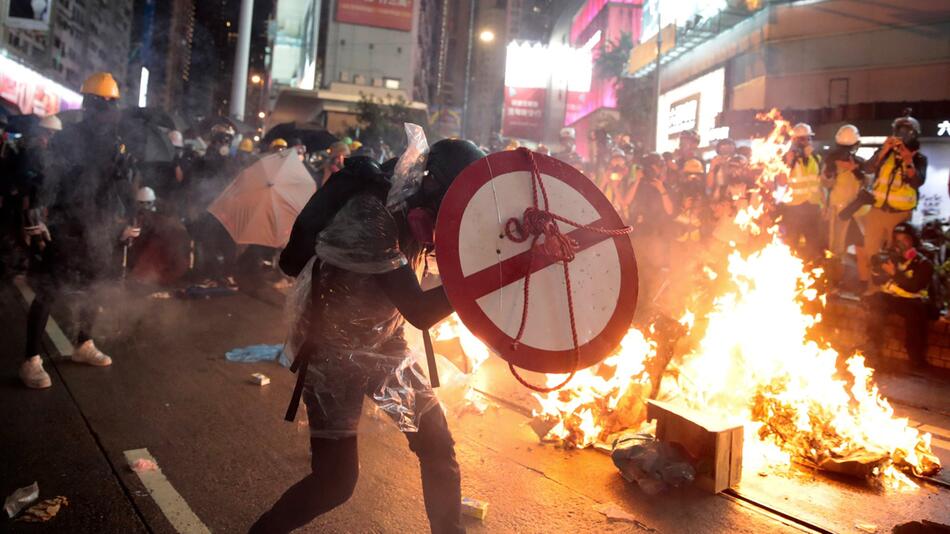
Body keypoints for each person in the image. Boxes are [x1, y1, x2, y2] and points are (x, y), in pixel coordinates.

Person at [251, 140, 486, 534]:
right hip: (331, 352)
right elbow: (420, 310)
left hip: (384, 344)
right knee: (335, 483)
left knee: (437, 447)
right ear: (430, 189)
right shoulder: (372, 215)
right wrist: (486, 279)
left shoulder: (416, 208)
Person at [19, 72, 136, 388]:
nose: (108, 110)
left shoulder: (115, 143)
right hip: (66, 225)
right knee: (48, 290)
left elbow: (119, 188)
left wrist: (128, 218)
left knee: (93, 287)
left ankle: (83, 343)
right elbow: (49, 177)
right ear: (90, 104)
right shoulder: (69, 138)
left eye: (112, 104)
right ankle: (30, 360)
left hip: (98, 226)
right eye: (104, 103)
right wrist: (37, 215)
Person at [858, 110, 928, 290]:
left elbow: (917, 181)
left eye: (905, 131)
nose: (901, 136)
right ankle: (872, 292)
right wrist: (884, 150)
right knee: (871, 251)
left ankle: (892, 292)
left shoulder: (919, 158)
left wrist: (907, 160)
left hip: (899, 216)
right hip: (877, 211)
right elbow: (867, 168)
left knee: (895, 255)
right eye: (898, 131)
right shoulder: (885, 154)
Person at [866, 222, 934, 368]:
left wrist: (895, 273)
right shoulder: (892, 258)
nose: (901, 244)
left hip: (912, 301)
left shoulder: (923, 263)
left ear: (913, 241)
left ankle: (915, 356)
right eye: (898, 240)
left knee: (915, 315)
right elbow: (877, 281)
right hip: (892, 299)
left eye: (905, 240)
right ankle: (873, 347)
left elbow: (914, 286)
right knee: (875, 303)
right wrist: (878, 269)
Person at [778, 122, 824, 260]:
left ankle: (813, 272)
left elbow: (820, 183)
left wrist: (824, 204)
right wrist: (788, 163)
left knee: (814, 244)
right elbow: (781, 182)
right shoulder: (788, 158)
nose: (807, 142)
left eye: (809, 138)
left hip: (813, 207)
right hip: (794, 209)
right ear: (795, 141)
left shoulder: (816, 158)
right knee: (791, 243)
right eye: (803, 139)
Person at [823, 124, 866, 259]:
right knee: (836, 249)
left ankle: (862, 278)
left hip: (857, 211)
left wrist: (854, 169)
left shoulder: (860, 163)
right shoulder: (831, 162)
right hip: (839, 212)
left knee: (862, 247)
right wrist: (831, 171)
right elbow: (825, 183)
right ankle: (834, 277)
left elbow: (867, 182)